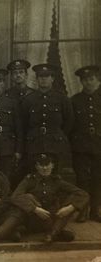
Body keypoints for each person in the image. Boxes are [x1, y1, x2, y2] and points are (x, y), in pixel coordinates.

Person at [11, 152, 89, 243]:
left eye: (47, 164)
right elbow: (15, 197)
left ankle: (52, 234)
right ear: (36, 166)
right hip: (35, 218)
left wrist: (70, 208)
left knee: (72, 200)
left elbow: (84, 194)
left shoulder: (57, 181)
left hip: (53, 217)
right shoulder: (29, 180)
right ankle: (55, 233)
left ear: (52, 165)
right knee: (28, 197)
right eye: (41, 165)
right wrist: (35, 209)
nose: (44, 168)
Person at [21, 64, 74, 173]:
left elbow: (69, 121)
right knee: (34, 176)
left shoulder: (62, 98)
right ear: (37, 79)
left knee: (55, 177)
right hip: (34, 144)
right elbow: (24, 123)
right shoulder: (28, 100)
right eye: (40, 76)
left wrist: (57, 134)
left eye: (47, 76)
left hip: (55, 145)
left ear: (52, 78)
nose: (43, 79)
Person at [70, 65, 101, 222]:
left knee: (97, 177)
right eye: (85, 80)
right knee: (82, 179)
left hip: (98, 144)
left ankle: (95, 210)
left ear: (98, 80)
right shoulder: (75, 100)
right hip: (80, 146)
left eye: (91, 79)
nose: (88, 82)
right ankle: (83, 210)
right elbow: (70, 124)